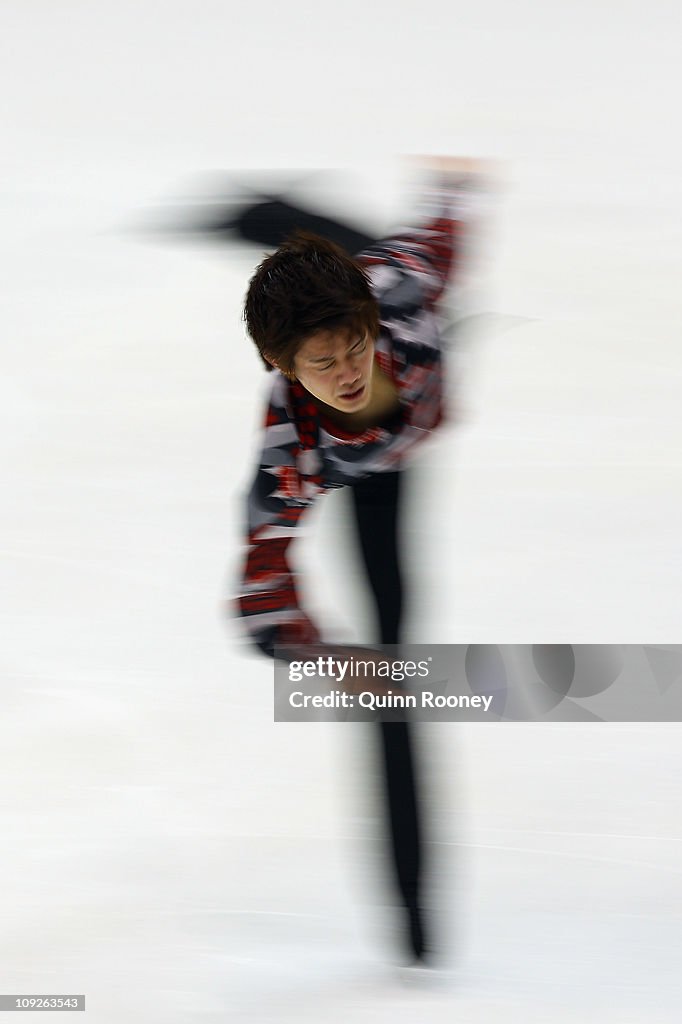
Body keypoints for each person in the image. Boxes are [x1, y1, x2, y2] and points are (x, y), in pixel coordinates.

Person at [234, 160, 477, 964]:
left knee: (378, 258)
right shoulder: (291, 448)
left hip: (398, 408)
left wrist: (456, 187)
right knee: (391, 658)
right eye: (317, 365)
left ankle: (291, 229)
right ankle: (412, 916)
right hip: (358, 465)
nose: (343, 375)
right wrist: (333, 662)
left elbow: (438, 241)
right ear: (283, 370)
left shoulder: (401, 294)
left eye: (351, 352)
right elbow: (259, 589)